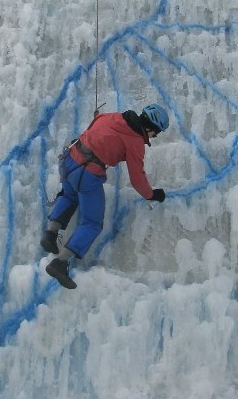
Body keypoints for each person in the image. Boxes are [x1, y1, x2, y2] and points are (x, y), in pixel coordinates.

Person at [41, 103, 169, 288]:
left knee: (70, 196)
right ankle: (60, 263)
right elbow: (136, 177)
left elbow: (94, 126)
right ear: (151, 127)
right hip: (86, 173)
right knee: (92, 223)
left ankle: (50, 234)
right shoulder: (135, 141)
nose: (153, 137)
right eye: (155, 134)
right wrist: (151, 194)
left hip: (68, 160)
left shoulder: (111, 116)